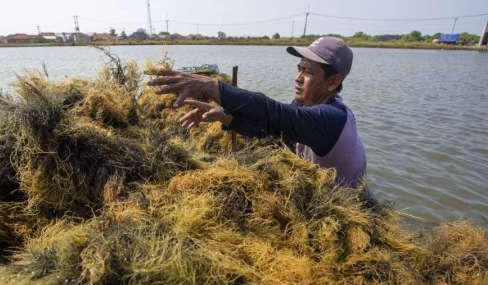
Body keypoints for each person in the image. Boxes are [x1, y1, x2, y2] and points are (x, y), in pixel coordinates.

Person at [149, 36, 368, 191]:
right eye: (299, 68)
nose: (298, 77)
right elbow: (270, 128)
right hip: (322, 197)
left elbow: (274, 113)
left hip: (346, 210)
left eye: (308, 72)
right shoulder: (304, 108)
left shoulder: (333, 119)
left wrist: (211, 87)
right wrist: (224, 116)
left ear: (333, 82)